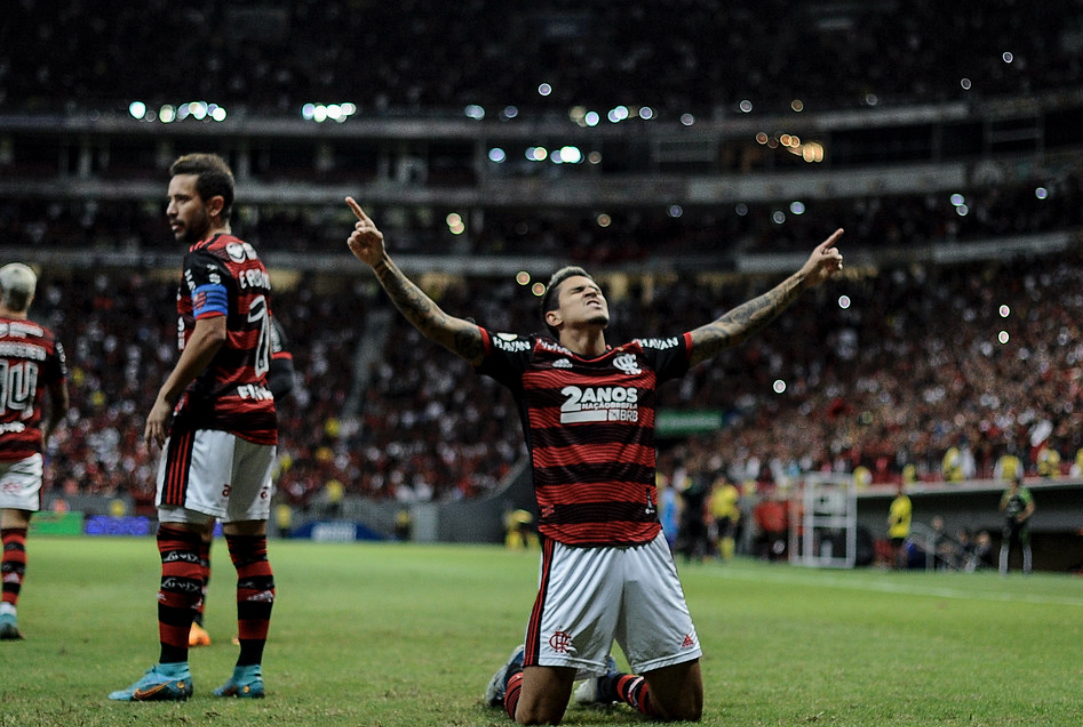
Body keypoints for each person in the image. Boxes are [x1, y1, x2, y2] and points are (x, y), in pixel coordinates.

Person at [345, 196, 844, 724]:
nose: (593, 290)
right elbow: (442, 325)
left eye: (596, 286)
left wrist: (800, 279)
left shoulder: (641, 358)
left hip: (644, 550)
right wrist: (382, 264)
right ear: (554, 315)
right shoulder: (530, 360)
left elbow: (729, 328)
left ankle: (612, 681)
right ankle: (517, 670)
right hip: (575, 552)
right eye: (578, 289)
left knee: (684, 708)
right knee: (535, 716)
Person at [110, 154, 279, 701]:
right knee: (249, 546)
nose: (170, 209)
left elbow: (209, 334)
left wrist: (165, 396)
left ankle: (170, 671)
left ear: (215, 204)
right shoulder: (249, 256)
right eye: (168, 198)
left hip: (212, 414)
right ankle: (248, 674)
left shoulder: (204, 259)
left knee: (180, 536)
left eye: (181, 199)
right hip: (258, 413)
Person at [189, 316, 294, 649]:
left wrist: (246, 401)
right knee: (203, 527)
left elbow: (285, 379)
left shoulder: (267, 323)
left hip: (244, 430)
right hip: (217, 429)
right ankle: (195, 620)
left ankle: (246, 631)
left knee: (245, 536)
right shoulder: (212, 316)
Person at [0, 263, 69, 640]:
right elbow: (61, 401)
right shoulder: (46, 339)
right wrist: (46, 430)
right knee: (14, 533)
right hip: (23, 446)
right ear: (30, 297)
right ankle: (7, 611)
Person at [998, 474, 1035, 575]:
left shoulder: (1024, 492)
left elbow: (1030, 507)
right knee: (1006, 545)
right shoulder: (1007, 493)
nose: (1010, 485)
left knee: (1024, 545)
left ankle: (1026, 570)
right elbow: (1001, 508)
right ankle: (1004, 569)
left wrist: (1023, 516)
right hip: (1010, 522)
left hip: (1021, 523)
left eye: (1012, 483)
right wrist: (1007, 498)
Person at [887, 483, 912, 570]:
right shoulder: (896, 502)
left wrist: (892, 520)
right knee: (895, 549)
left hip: (901, 530)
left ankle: (901, 565)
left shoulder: (904, 502)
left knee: (899, 549)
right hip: (894, 530)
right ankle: (897, 565)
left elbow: (899, 517)